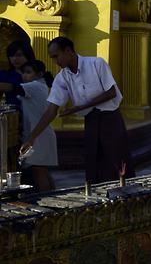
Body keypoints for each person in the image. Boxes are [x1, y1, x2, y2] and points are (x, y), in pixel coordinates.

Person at [21, 37, 132, 183]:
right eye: (52, 58)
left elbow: (111, 92)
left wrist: (79, 108)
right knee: (94, 162)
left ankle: (123, 196)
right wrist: (32, 138)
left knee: (115, 161)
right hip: (91, 121)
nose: (55, 61)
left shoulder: (96, 64)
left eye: (56, 56)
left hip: (110, 119)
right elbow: (51, 110)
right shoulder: (62, 78)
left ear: (68, 51)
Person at [0, 60, 56, 191]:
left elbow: (9, 87)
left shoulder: (35, 86)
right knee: (42, 171)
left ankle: (46, 201)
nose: (25, 76)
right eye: (23, 72)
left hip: (39, 135)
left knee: (39, 171)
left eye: (28, 72)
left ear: (40, 74)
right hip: (40, 134)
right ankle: (51, 198)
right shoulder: (38, 86)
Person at [0, 39, 35, 109]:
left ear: (27, 55)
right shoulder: (5, 75)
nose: (14, 59)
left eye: (19, 55)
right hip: (12, 115)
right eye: (11, 56)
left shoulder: (37, 75)